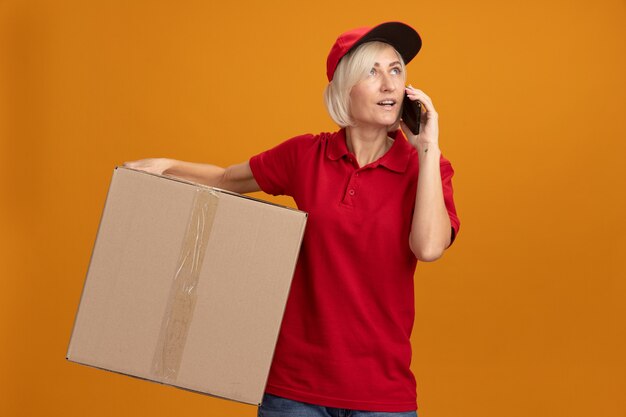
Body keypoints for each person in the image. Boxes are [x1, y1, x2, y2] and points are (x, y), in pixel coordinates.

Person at [125, 21, 460, 417]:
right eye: (372, 72)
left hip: (381, 394)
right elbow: (226, 179)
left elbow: (427, 247)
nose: (389, 84)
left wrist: (428, 147)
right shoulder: (306, 156)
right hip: (293, 390)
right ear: (343, 88)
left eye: (396, 69)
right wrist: (164, 165)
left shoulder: (426, 170)